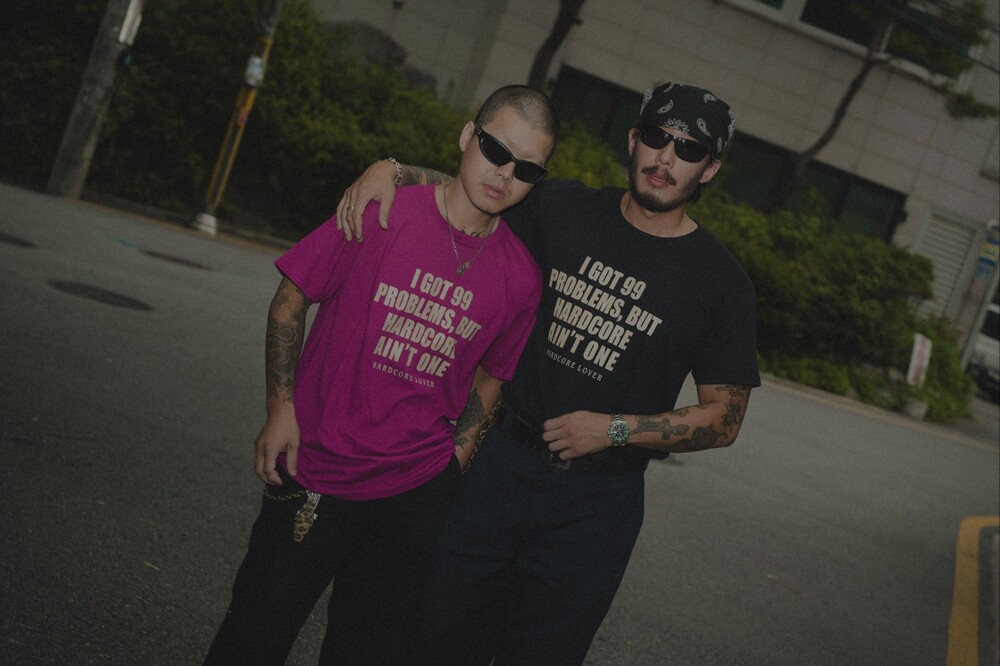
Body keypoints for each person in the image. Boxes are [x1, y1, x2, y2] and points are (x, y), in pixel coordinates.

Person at [335, 81, 761, 665]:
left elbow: (725, 418)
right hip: (498, 470)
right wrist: (389, 170)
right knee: (432, 641)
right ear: (633, 140)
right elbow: (479, 188)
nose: (666, 158)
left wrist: (614, 429)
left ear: (708, 169)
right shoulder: (562, 208)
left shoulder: (722, 284)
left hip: (596, 507)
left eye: (689, 149)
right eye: (657, 137)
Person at [204, 84, 558, 665]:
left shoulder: (521, 278)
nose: (504, 173)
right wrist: (280, 409)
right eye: (496, 150)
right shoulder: (383, 211)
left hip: (415, 495)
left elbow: (491, 377)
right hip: (314, 468)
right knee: (253, 638)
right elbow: (292, 297)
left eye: (527, 169)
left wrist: (455, 462)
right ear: (467, 137)